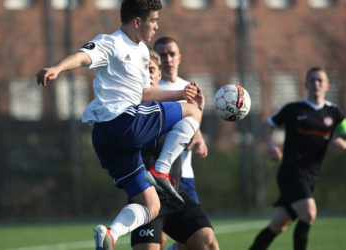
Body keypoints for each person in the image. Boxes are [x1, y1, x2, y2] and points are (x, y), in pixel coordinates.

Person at [36, 1, 204, 249]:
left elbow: (145, 94)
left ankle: (110, 235)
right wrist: (57, 68)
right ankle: (162, 169)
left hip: (105, 138)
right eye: (153, 20)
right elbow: (84, 56)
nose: (156, 26)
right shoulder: (111, 42)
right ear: (137, 21)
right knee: (193, 111)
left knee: (151, 205)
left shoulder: (143, 52)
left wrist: (180, 93)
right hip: (125, 122)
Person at [130, 49, 220, 250]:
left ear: (159, 75)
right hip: (146, 197)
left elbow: (185, 144)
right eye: (142, 70)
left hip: (175, 194)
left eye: (151, 69)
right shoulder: (131, 110)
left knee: (208, 243)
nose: (148, 74)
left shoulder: (174, 108)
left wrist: (198, 111)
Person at [249, 67, 346, 250]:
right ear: (305, 84)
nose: (316, 84)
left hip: (311, 176)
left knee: (277, 225)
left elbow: (345, 132)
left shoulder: (335, 113)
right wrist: (271, 145)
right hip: (291, 173)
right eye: (312, 80)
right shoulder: (293, 109)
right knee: (309, 213)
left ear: (327, 85)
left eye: (320, 80)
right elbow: (267, 126)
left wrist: (344, 143)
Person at [154, 36, 208, 204]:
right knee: (160, 229)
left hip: (185, 174)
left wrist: (199, 139)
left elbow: (192, 127)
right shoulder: (153, 90)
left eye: (172, 54)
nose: (168, 59)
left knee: (204, 231)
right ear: (155, 59)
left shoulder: (190, 88)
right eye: (162, 55)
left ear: (179, 57)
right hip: (158, 173)